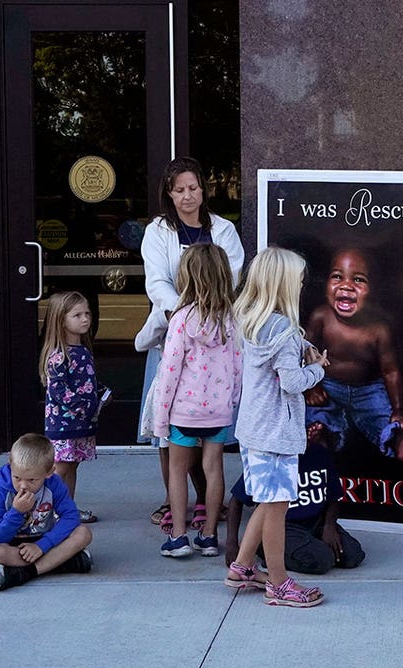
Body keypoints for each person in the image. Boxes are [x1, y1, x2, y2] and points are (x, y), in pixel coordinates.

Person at [137, 157, 245, 531]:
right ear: (169, 193)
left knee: (210, 431)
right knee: (168, 430)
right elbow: (157, 282)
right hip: (172, 335)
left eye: (194, 188)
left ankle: (205, 502)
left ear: (204, 188)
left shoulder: (224, 230)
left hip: (214, 338)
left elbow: (230, 277)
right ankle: (174, 500)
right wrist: (182, 315)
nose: (188, 196)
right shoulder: (158, 231)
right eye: (180, 189)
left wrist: (206, 313)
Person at [226, 247, 325, 607]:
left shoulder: (254, 319)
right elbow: (291, 382)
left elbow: (288, 349)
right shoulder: (282, 328)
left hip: (254, 430)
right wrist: (318, 370)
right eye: (298, 281)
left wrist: (306, 349)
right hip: (276, 434)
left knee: (267, 503)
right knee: (278, 506)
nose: (301, 286)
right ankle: (280, 584)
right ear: (283, 284)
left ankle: (242, 567)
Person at [152, 244, 242, 558]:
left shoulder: (180, 320)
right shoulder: (230, 321)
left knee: (178, 471)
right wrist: (231, 403)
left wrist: (160, 417)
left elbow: (169, 373)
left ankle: (178, 536)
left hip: (184, 413)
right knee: (214, 469)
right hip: (218, 412)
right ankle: (209, 536)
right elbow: (237, 367)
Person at [304, 248, 403, 461]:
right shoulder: (321, 317)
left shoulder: (378, 329)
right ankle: (323, 437)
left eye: (358, 280)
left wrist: (399, 409)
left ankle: (402, 442)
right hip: (328, 384)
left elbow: (390, 371)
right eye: (337, 277)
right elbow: (306, 352)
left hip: (368, 390)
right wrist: (312, 386)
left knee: (385, 419)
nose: (346, 286)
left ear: (373, 290)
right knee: (316, 414)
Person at [224, 420, 365, 575]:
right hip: (285, 525)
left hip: (316, 521)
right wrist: (231, 543)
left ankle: (310, 547)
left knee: (353, 555)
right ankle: (268, 552)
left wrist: (329, 526)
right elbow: (236, 501)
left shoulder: (320, 453)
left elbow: (334, 497)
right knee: (322, 561)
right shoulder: (272, 459)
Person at [0, 433, 94, 591]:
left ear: (49, 472)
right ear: (10, 466)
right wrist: (16, 512)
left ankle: (25, 572)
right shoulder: (0, 489)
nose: (23, 486)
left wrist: (42, 546)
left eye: (32, 480)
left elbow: (71, 517)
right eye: (17, 477)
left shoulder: (53, 484)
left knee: (83, 533)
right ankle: (61, 563)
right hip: (12, 544)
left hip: (45, 540)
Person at [40, 291, 102, 524]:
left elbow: (86, 381)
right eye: (77, 315)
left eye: (87, 313)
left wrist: (100, 392)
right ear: (61, 320)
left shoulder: (83, 351)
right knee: (60, 469)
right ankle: (48, 510)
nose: (85, 318)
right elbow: (59, 391)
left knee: (72, 466)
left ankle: (68, 510)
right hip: (64, 425)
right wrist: (85, 405)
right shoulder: (59, 356)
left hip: (81, 423)